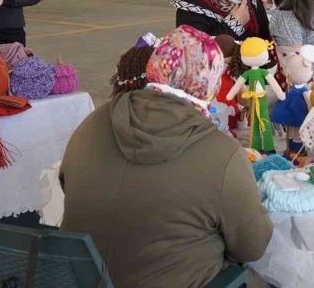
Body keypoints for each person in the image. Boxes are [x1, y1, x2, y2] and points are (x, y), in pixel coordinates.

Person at [60, 26, 272, 287]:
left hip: (80, 279)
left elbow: (66, 186)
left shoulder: (92, 123)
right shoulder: (222, 152)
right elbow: (252, 246)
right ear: (211, 82)